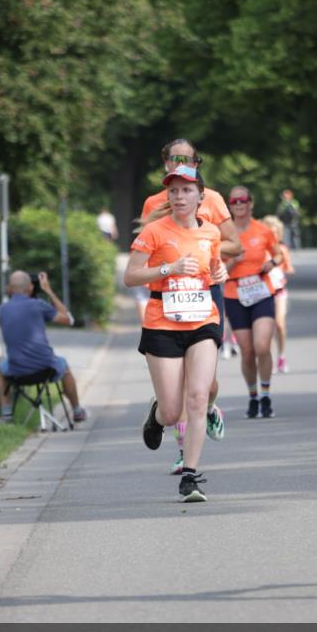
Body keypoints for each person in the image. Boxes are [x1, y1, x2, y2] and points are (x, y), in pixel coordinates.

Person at [124, 165, 228, 502]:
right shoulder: (154, 231)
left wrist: (220, 272)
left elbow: (210, 272)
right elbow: (131, 276)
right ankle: (156, 416)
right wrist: (168, 268)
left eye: (186, 190)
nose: (179, 196)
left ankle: (190, 476)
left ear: (201, 196)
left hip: (202, 321)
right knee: (172, 411)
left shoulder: (211, 232)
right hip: (162, 323)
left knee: (198, 397)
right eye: (174, 191)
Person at [140, 138, 241, 473]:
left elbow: (233, 243)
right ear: (165, 162)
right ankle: (185, 452)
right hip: (168, 294)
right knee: (178, 392)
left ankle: (208, 407)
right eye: (175, 158)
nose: (182, 163)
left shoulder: (211, 197)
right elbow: (145, 247)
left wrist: (209, 259)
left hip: (204, 289)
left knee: (205, 384)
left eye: (189, 158)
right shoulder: (155, 202)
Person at [0, 270, 87, 424]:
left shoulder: (2, 310)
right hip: (45, 369)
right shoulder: (38, 305)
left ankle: (6, 414)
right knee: (65, 367)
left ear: (9, 288)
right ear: (30, 288)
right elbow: (69, 320)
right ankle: (77, 411)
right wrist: (48, 290)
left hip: (16, 371)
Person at [225, 186, 283, 419]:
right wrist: (234, 261)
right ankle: (252, 396)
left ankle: (266, 394)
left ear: (251, 204)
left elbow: (278, 254)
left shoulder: (264, 230)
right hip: (234, 293)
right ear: (230, 206)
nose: (239, 204)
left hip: (261, 290)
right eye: (234, 201)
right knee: (247, 351)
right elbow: (215, 269)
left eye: (243, 200)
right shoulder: (224, 234)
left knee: (262, 346)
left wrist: (272, 264)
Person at [262, 214, 294, 373]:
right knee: (268, 327)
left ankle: (282, 356)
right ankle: (270, 359)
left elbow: (289, 268)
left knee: (279, 324)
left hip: (279, 292)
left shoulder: (282, 249)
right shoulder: (259, 249)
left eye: (275, 232)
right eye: (269, 232)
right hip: (263, 293)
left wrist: (285, 270)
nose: (272, 235)